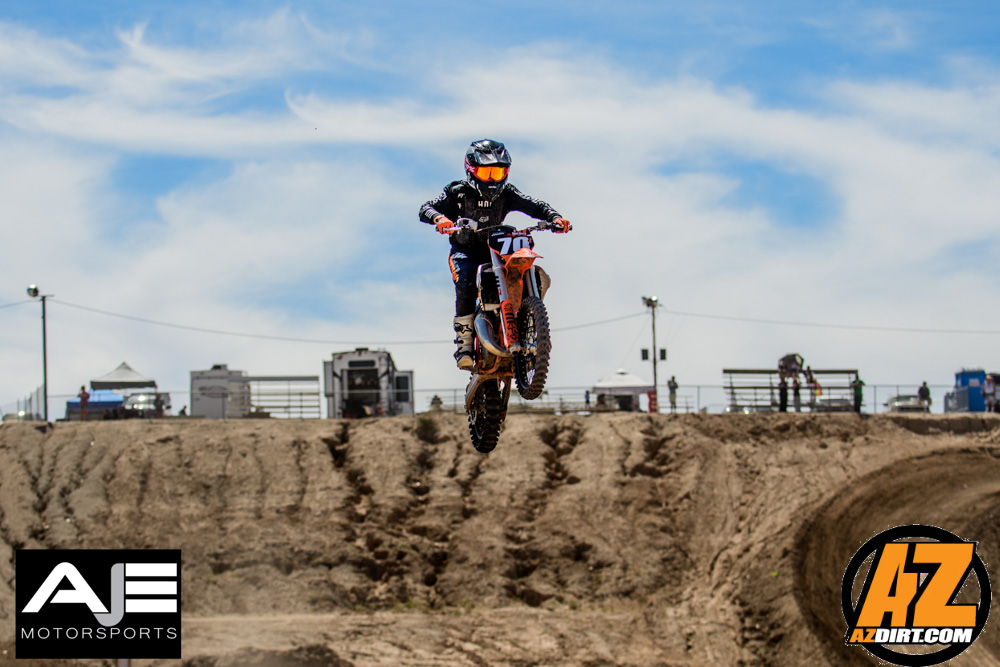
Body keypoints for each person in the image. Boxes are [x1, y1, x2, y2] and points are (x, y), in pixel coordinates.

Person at [419, 139, 572, 369]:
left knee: (536, 274)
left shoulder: (508, 193)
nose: (492, 179)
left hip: (498, 249)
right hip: (465, 251)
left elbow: (534, 205)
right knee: (466, 280)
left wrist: (555, 218)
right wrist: (440, 218)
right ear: (471, 170)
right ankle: (464, 345)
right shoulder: (457, 192)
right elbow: (426, 208)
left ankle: (531, 325)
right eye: (486, 172)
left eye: (497, 172)